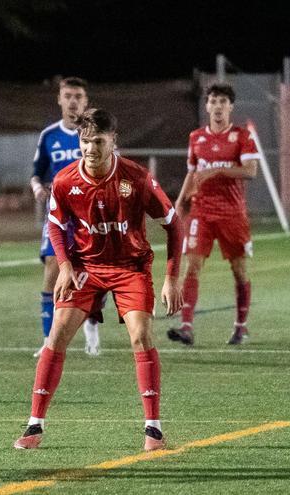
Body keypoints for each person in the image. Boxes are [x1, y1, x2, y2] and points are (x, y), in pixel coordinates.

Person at [13, 109, 183, 452]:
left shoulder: (135, 178)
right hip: (86, 266)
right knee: (57, 333)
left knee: (140, 335)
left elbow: (173, 224)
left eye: (98, 141)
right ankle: (34, 425)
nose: (90, 148)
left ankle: (153, 430)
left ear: (113, 141)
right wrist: (64, 266)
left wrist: (172, 279)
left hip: (130, 267)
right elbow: (57, 227)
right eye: (85, 141)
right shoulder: (64, 181)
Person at [167, 83, 259, 347]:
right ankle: (186, 327)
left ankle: (241, 327)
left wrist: (218, 171)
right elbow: (192, 172)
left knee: (239, 271)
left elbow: (250, 171)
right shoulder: (196, 137)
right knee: (191, 266)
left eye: (223, 101)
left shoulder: (242, 136)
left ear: (231, 106)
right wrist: (180, 200)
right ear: (206, 106)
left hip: (233, 214)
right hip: (202, 212)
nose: (217, 106)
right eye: (213, 101)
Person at [29, 77, 102, 357]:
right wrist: (37, 188)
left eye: (78, 96)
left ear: (86, 101)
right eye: (68, 95)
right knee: (52, 268)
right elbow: (37, 172)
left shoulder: (95, 134)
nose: (73, 101)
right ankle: (49, 341)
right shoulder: (49, 136)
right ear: (59, 99)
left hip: (92, 216)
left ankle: (92, 324)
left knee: (95, 274)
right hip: (59, 214)